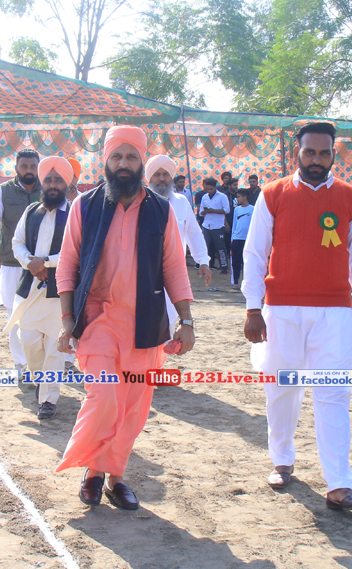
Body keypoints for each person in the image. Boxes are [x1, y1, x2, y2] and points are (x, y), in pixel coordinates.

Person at [55, 125, 195, 511]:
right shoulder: (85, 206)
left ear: (141, 163)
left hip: (144, 324)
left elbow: (174, 267)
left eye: (131, 156)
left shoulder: (161, 210)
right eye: (116, 156)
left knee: (132, 406)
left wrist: (186, 321)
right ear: (105, 160)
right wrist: (67, 320)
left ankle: (112, 476)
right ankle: (92, 470)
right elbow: (67, 265)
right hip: (98, 319)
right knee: (104, 397)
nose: (123, 163)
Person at [242, 121, 352, 511]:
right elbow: (254, 253)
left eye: (324, 152)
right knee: (282, 389)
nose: (317, 159)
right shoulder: (273, 194)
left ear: (334, 154)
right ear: (296, 154)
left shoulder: (351, 198)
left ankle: (339, 484)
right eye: (309, 152)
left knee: (333, 393)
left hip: (335, 313)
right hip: (281, 310)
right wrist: (253, 308)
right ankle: (282, 461)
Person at [6, 156, 74, 419]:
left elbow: (77, 251)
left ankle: (48, 399)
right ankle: (39, 379)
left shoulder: (75, 213)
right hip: (31, 289)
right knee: (29, 342)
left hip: (61, 293)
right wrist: (30, 263)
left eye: (58, 180)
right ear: (42, 183)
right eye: (48, 180)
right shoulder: (31, 211)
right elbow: (17, 242)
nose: (53, 185)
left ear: (67, 184)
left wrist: (44, 262)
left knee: (55, 348)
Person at [0, 151, 43, 372]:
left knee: (42, 317)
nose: (29, 170)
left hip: (42, 265)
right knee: (15, 317)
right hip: (12, 264)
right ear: (16, 168)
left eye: (33, 166)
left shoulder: (48, 189)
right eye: (24, 166)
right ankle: (20, 364)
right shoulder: (3, 191)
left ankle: (39, 365)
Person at [146, 155, 211, 318]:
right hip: (145, 273)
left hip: (174, 273)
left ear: (172, 177)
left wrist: (203, 260)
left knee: (171, 319)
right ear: (149, 178)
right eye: (157, 174)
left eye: (165, 174)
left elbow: (194, 233)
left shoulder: (182, 202)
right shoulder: (140, 203)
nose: (161, 179)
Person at [198, 178, 230, 273]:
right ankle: (204, 266)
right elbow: (200, 212)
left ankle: (224, 267)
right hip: (206, 225)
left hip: (218, 225)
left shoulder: (222, 196)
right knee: (204, 247)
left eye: (211, 189)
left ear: (215, 187)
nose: (209, 191)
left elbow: (227, 210)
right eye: (207, 189)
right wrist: (205, 211)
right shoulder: (204, 197)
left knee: (220, 247)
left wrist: (213, 211)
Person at [230, 188, 254, 291]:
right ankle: (235, 282)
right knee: (236, 261)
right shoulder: (237, 210)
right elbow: (234, 225)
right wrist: (232, 238)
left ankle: (247, 282)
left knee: (247, 262)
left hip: (248, 239)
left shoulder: (253, 209)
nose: (237, 199)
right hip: (237, 238)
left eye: (239, 197)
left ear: (245, 197)